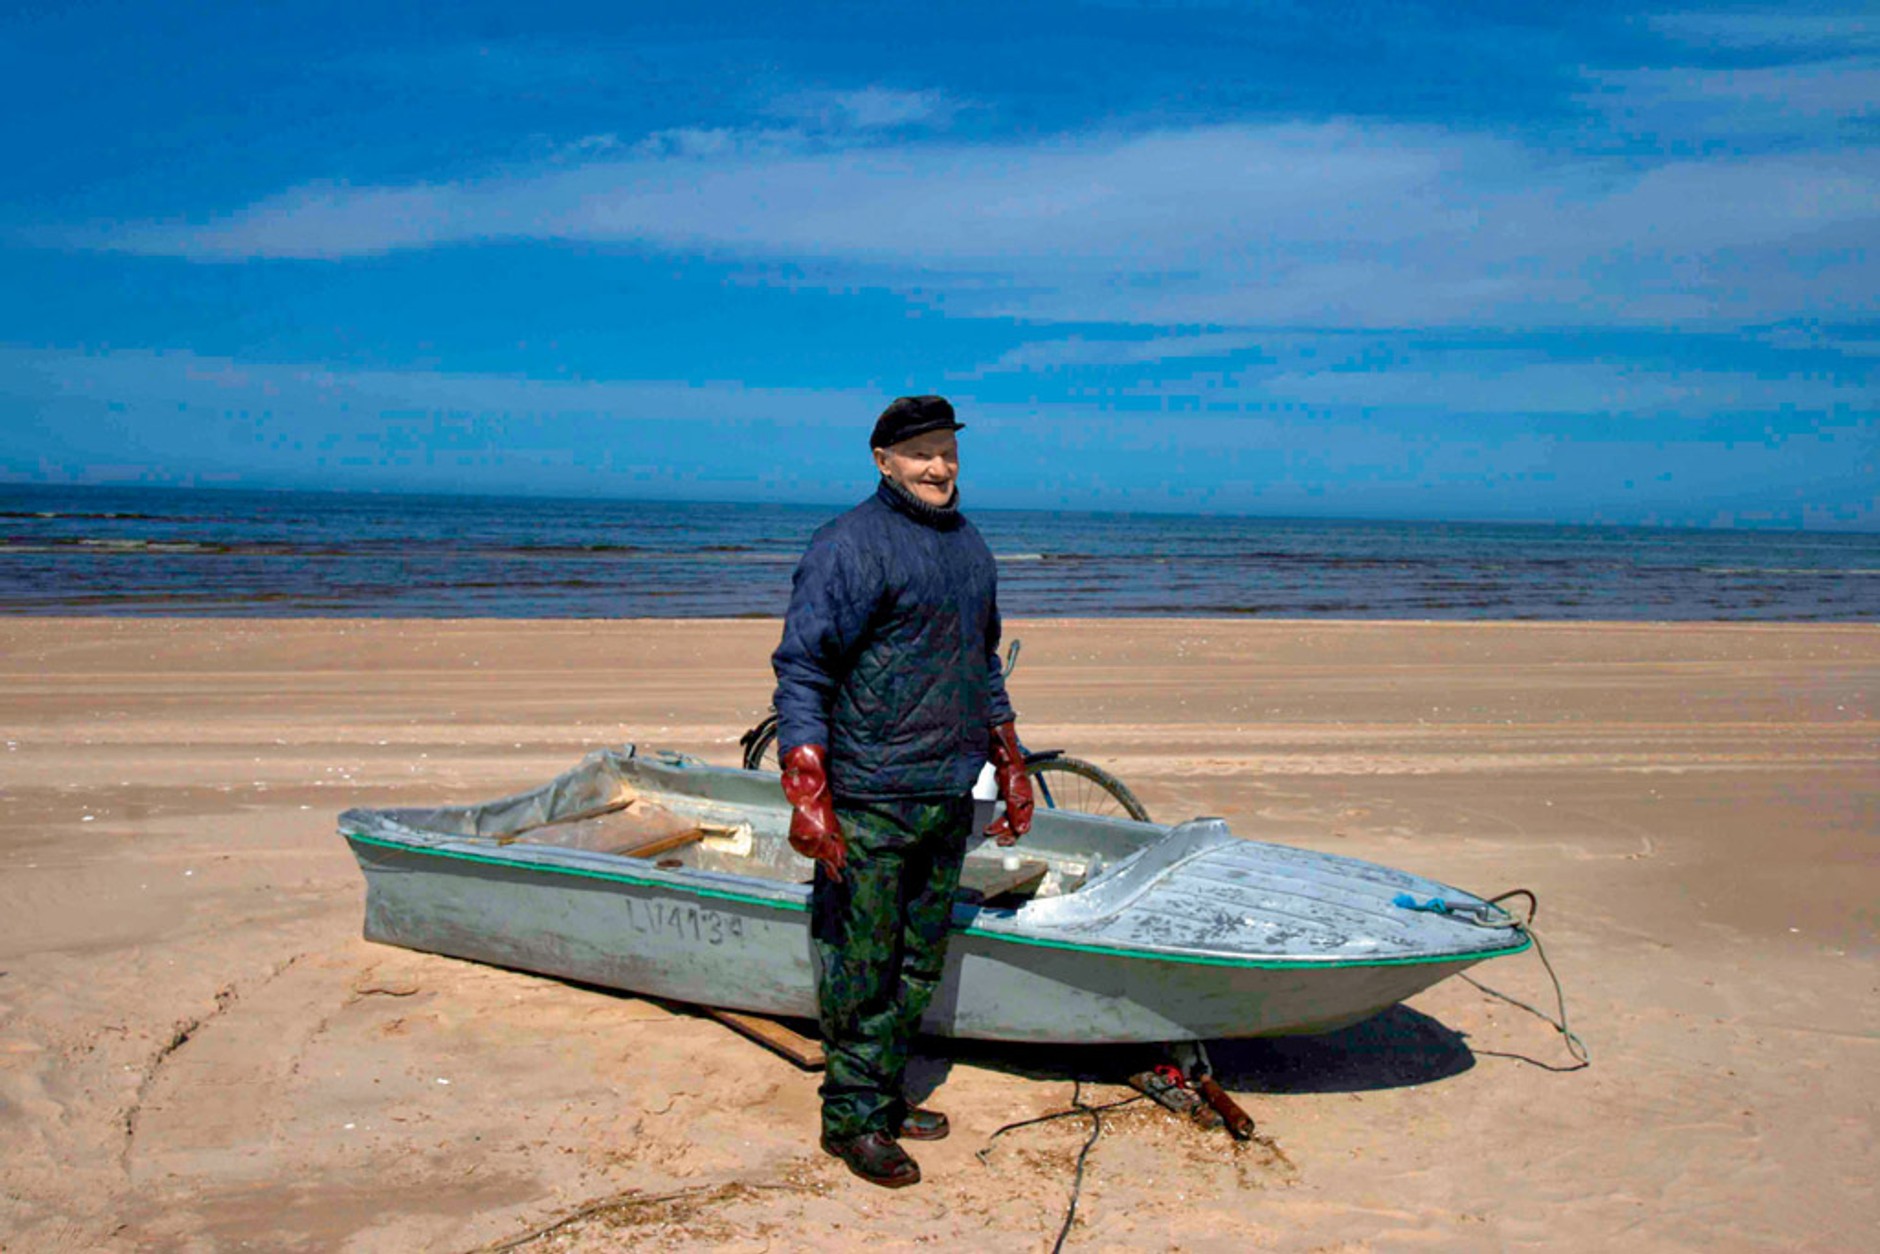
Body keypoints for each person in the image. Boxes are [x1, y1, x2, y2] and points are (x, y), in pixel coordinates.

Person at [770, 394, 1035, 1189]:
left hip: (947, 789)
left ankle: (880, 1095)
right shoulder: (847, 546)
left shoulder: (969, 546)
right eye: (920, 452)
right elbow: (803, 667)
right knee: (861, 964)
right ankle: (850, 1120)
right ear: (883, 462)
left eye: (948, 451)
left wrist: (1010, 758)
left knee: (918, 961)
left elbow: (983, 663)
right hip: (869, 796)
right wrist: (808, 786)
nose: (938, 466)